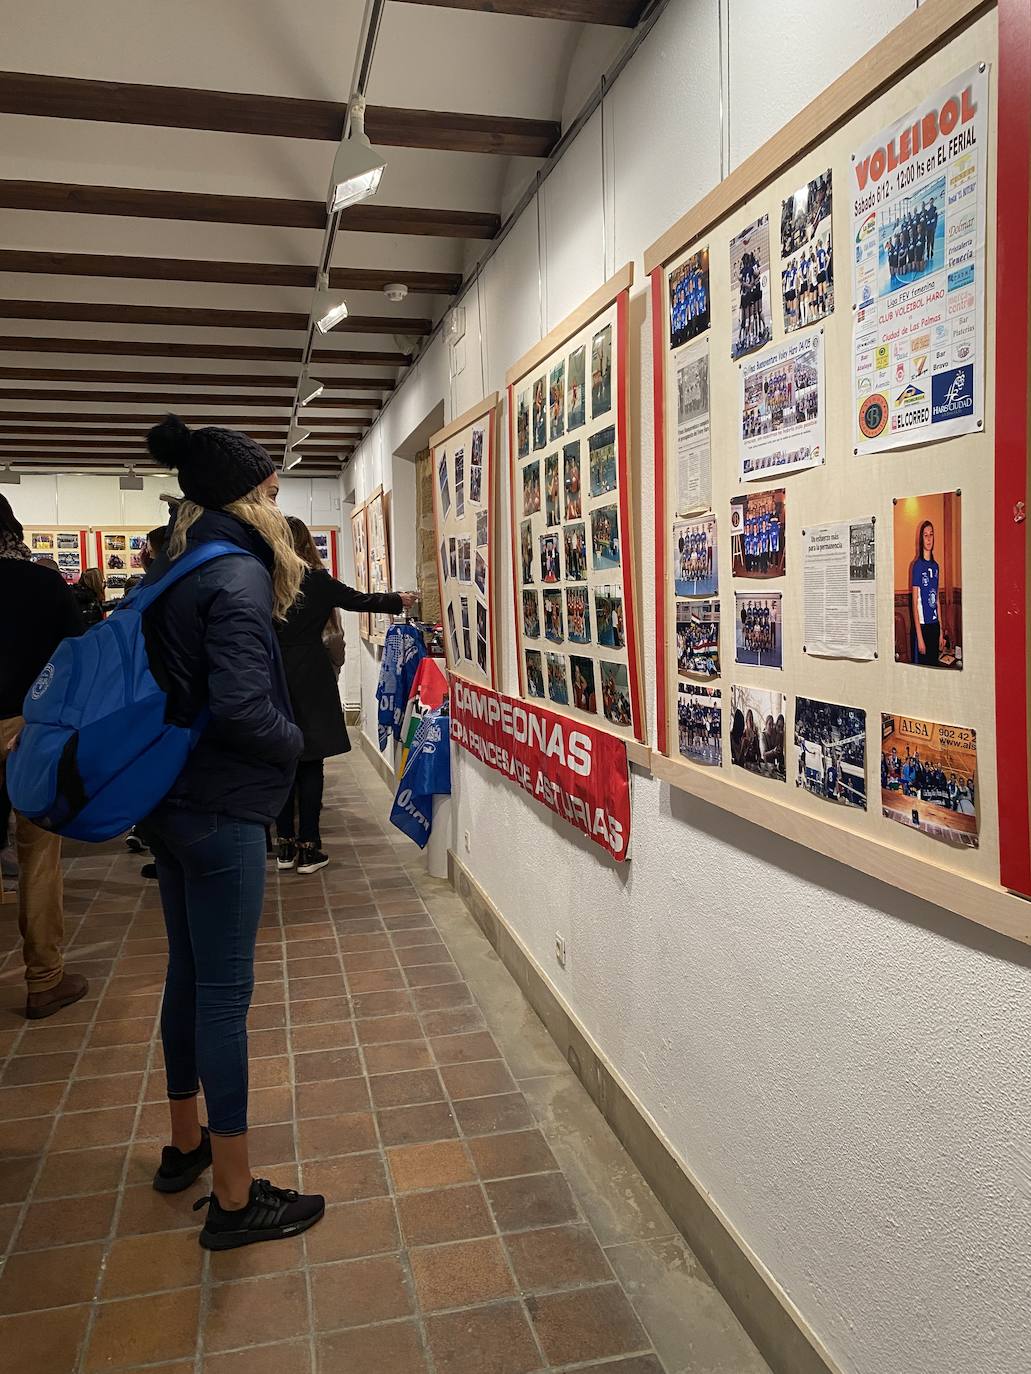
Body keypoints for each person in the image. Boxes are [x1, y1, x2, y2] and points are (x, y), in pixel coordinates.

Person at [136, 414, 324, 1250]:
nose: (279, 504)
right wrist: (298, 750)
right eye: (272, 490)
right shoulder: (238, 577)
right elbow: (247, 705)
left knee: (189, 974)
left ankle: (185, 1148)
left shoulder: (177, 564)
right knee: (224, 999)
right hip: (222, 808)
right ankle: (239, 1198)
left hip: (171, 802)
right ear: (246, 498)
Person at [275, 516, 414, 874]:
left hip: (272, 673)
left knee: (282, 761)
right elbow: (358, 600)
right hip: (310, 675)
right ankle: (309, 847)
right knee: (311, 761)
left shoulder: (266, 579)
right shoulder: (315, 580)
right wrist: (399, 599)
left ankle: (284, 847)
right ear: (307, 543)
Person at [0, 494, 88, 1019]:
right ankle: (44, 979)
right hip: (27, 728)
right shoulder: (40, 583)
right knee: (38, 857)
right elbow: (75, 656)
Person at [910, 518, 942, 666]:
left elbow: (937, 601)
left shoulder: (936, 567)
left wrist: (941, 632)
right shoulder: (917, 566)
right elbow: (915, 605)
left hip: (934, 626)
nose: (929, 538)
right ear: (921, 539)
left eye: (931, 534)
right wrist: (920, 637)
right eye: (925, 535)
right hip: (922, 627)